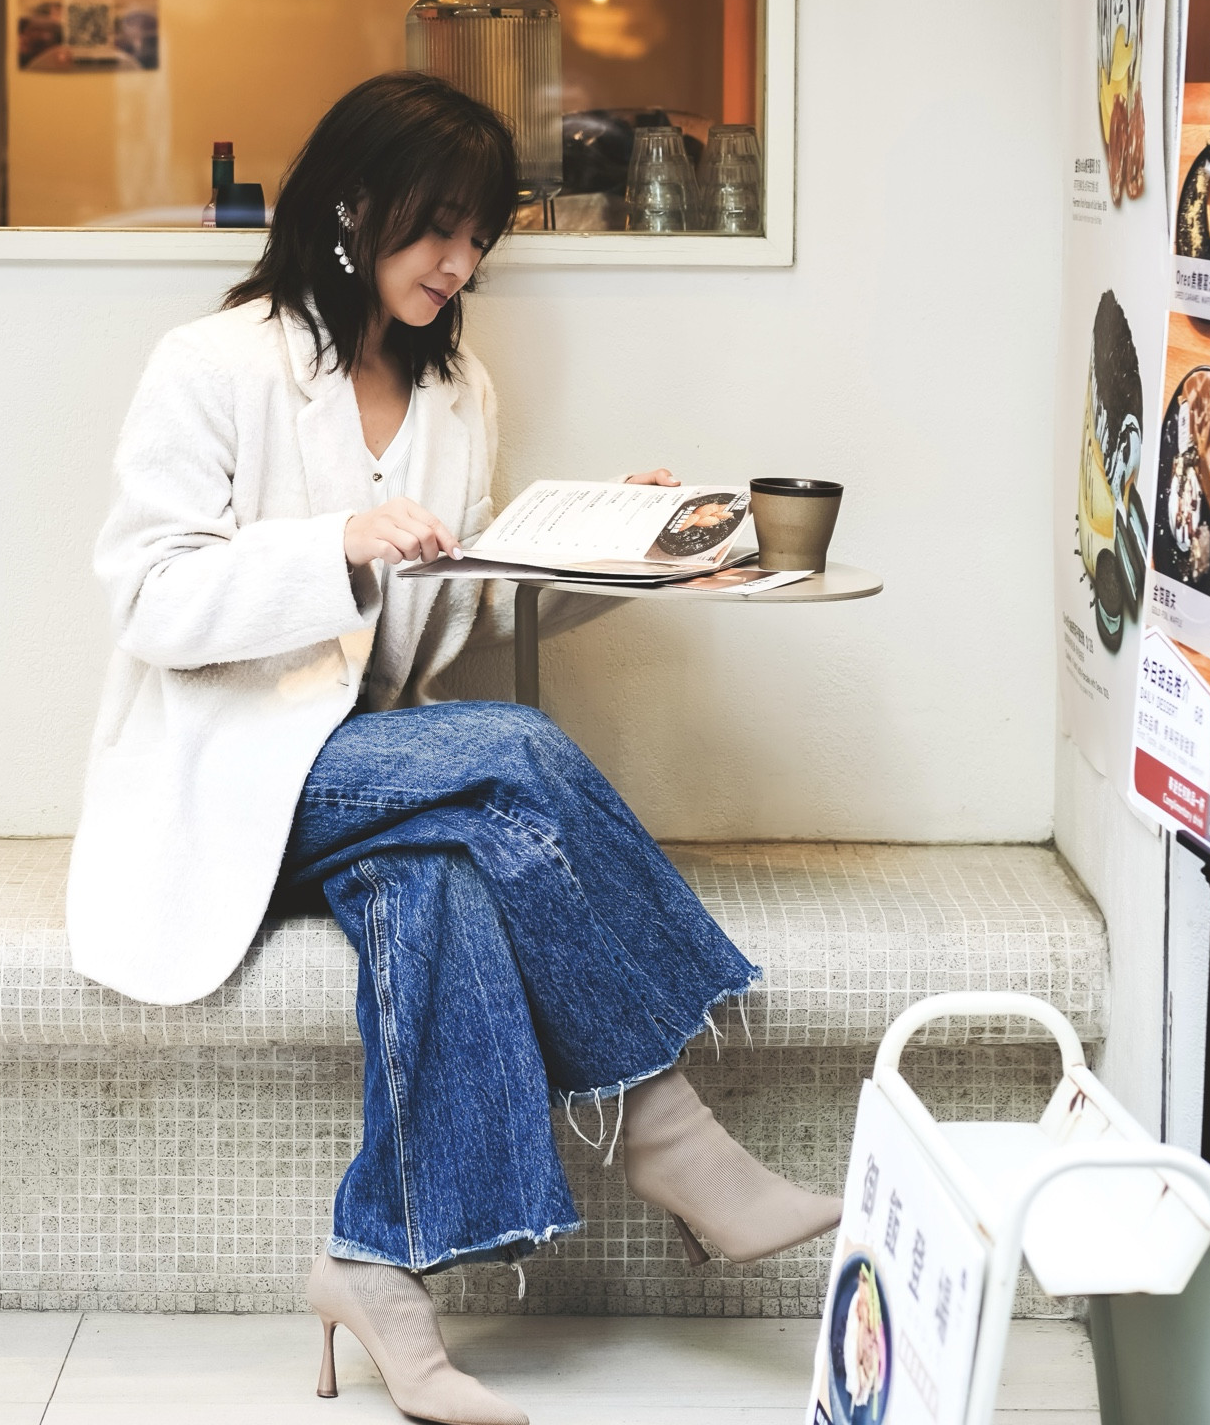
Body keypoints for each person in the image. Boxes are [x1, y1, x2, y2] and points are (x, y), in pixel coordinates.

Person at [66, 74, 840, 1425]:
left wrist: (624, 552)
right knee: (519, 754)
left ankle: (374, 1272)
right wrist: (332, 548)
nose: (463, 261)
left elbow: (467, 606)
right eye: (439, 229)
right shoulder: (215, 364)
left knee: (458, 876)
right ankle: (671, 1134)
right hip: (236, 777)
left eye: (480, 233)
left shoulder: (459, 390)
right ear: (352, 211)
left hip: (387, 768)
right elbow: (148, 596)